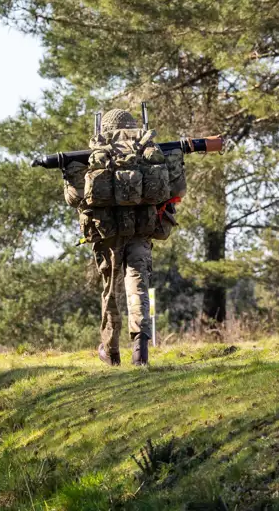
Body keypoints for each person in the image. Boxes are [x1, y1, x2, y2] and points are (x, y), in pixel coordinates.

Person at [63, 108, 183, 366]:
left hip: (106, 234)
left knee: (111, 292)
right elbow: (172, 190)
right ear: (133, 126)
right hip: (141, 231)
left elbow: (76, 198)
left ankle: (111, 351)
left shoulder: (97, 155)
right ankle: (140, 350)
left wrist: (69, 173)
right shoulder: (146, 152)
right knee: (138, 286)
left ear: (103, 128)